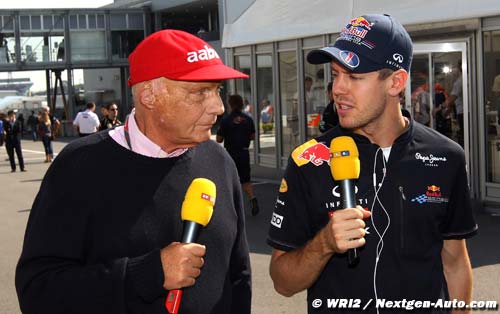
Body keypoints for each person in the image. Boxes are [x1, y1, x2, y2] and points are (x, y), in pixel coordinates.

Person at [16, 29, 251, 314]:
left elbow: (238, 276)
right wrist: (147, 274)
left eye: (217, 91)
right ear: (150, 95)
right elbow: (38, 291)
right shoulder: (80, 167)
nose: (218, 107)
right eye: (199, 92)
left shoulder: (219, 161)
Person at [267, 14, 477, 314]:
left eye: (354, 76)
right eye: (335, 74)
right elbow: (282, 282)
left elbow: (455, 261)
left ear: (395, 82)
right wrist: (325, 243)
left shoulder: (446, 156)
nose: (338, 89)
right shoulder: (309, 161)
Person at [216, 94, 260, 216]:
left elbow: (219, 139)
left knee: (230, 179)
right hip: (244, 152)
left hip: (230, 154)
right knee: (246, 180)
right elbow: (252, 136)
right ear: (242, 104)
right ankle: (252, 198)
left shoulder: (226, 120)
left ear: (230, 105)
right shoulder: (248, 119)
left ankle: (233, 206)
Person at [443, 62, 464, 146]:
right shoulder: (467, 78)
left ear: (458, 69)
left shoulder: (459, 82)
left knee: (463, 135)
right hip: (464, 112)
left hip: (463, 113)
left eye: (453, 68)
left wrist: (439, 108)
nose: (452, 71)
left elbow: (452, 98)